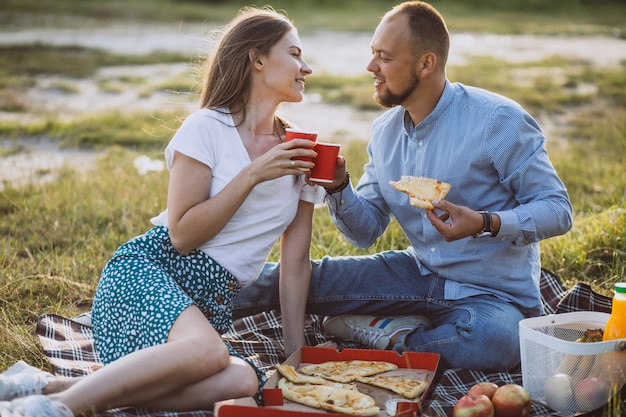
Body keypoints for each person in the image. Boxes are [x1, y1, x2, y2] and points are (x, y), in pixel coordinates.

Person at [0, 6, 323, 416]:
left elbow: (295, 262)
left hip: (207, 307)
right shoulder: (206, 127)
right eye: (294, 54)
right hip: (149, 273)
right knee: (209, 353)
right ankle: (52, 408)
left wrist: (296, 357)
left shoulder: (303, 152)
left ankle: (44, 386)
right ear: (257, 59)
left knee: (241, 380)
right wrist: (252, 175)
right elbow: (182, 236)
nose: (306, 67)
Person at [233, 0, 573, 372]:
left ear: (426, 64)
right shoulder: (385, 132)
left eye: (385, 57)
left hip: (492, 295)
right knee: (301, 279)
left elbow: (557, 210)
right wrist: (339, 186)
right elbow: (365, 232)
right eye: (372, 54)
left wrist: (484, 222)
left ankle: (386, 338)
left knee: (496, 340)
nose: (371, 67)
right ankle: (183, 290)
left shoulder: (498, 120)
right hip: (417, 274)